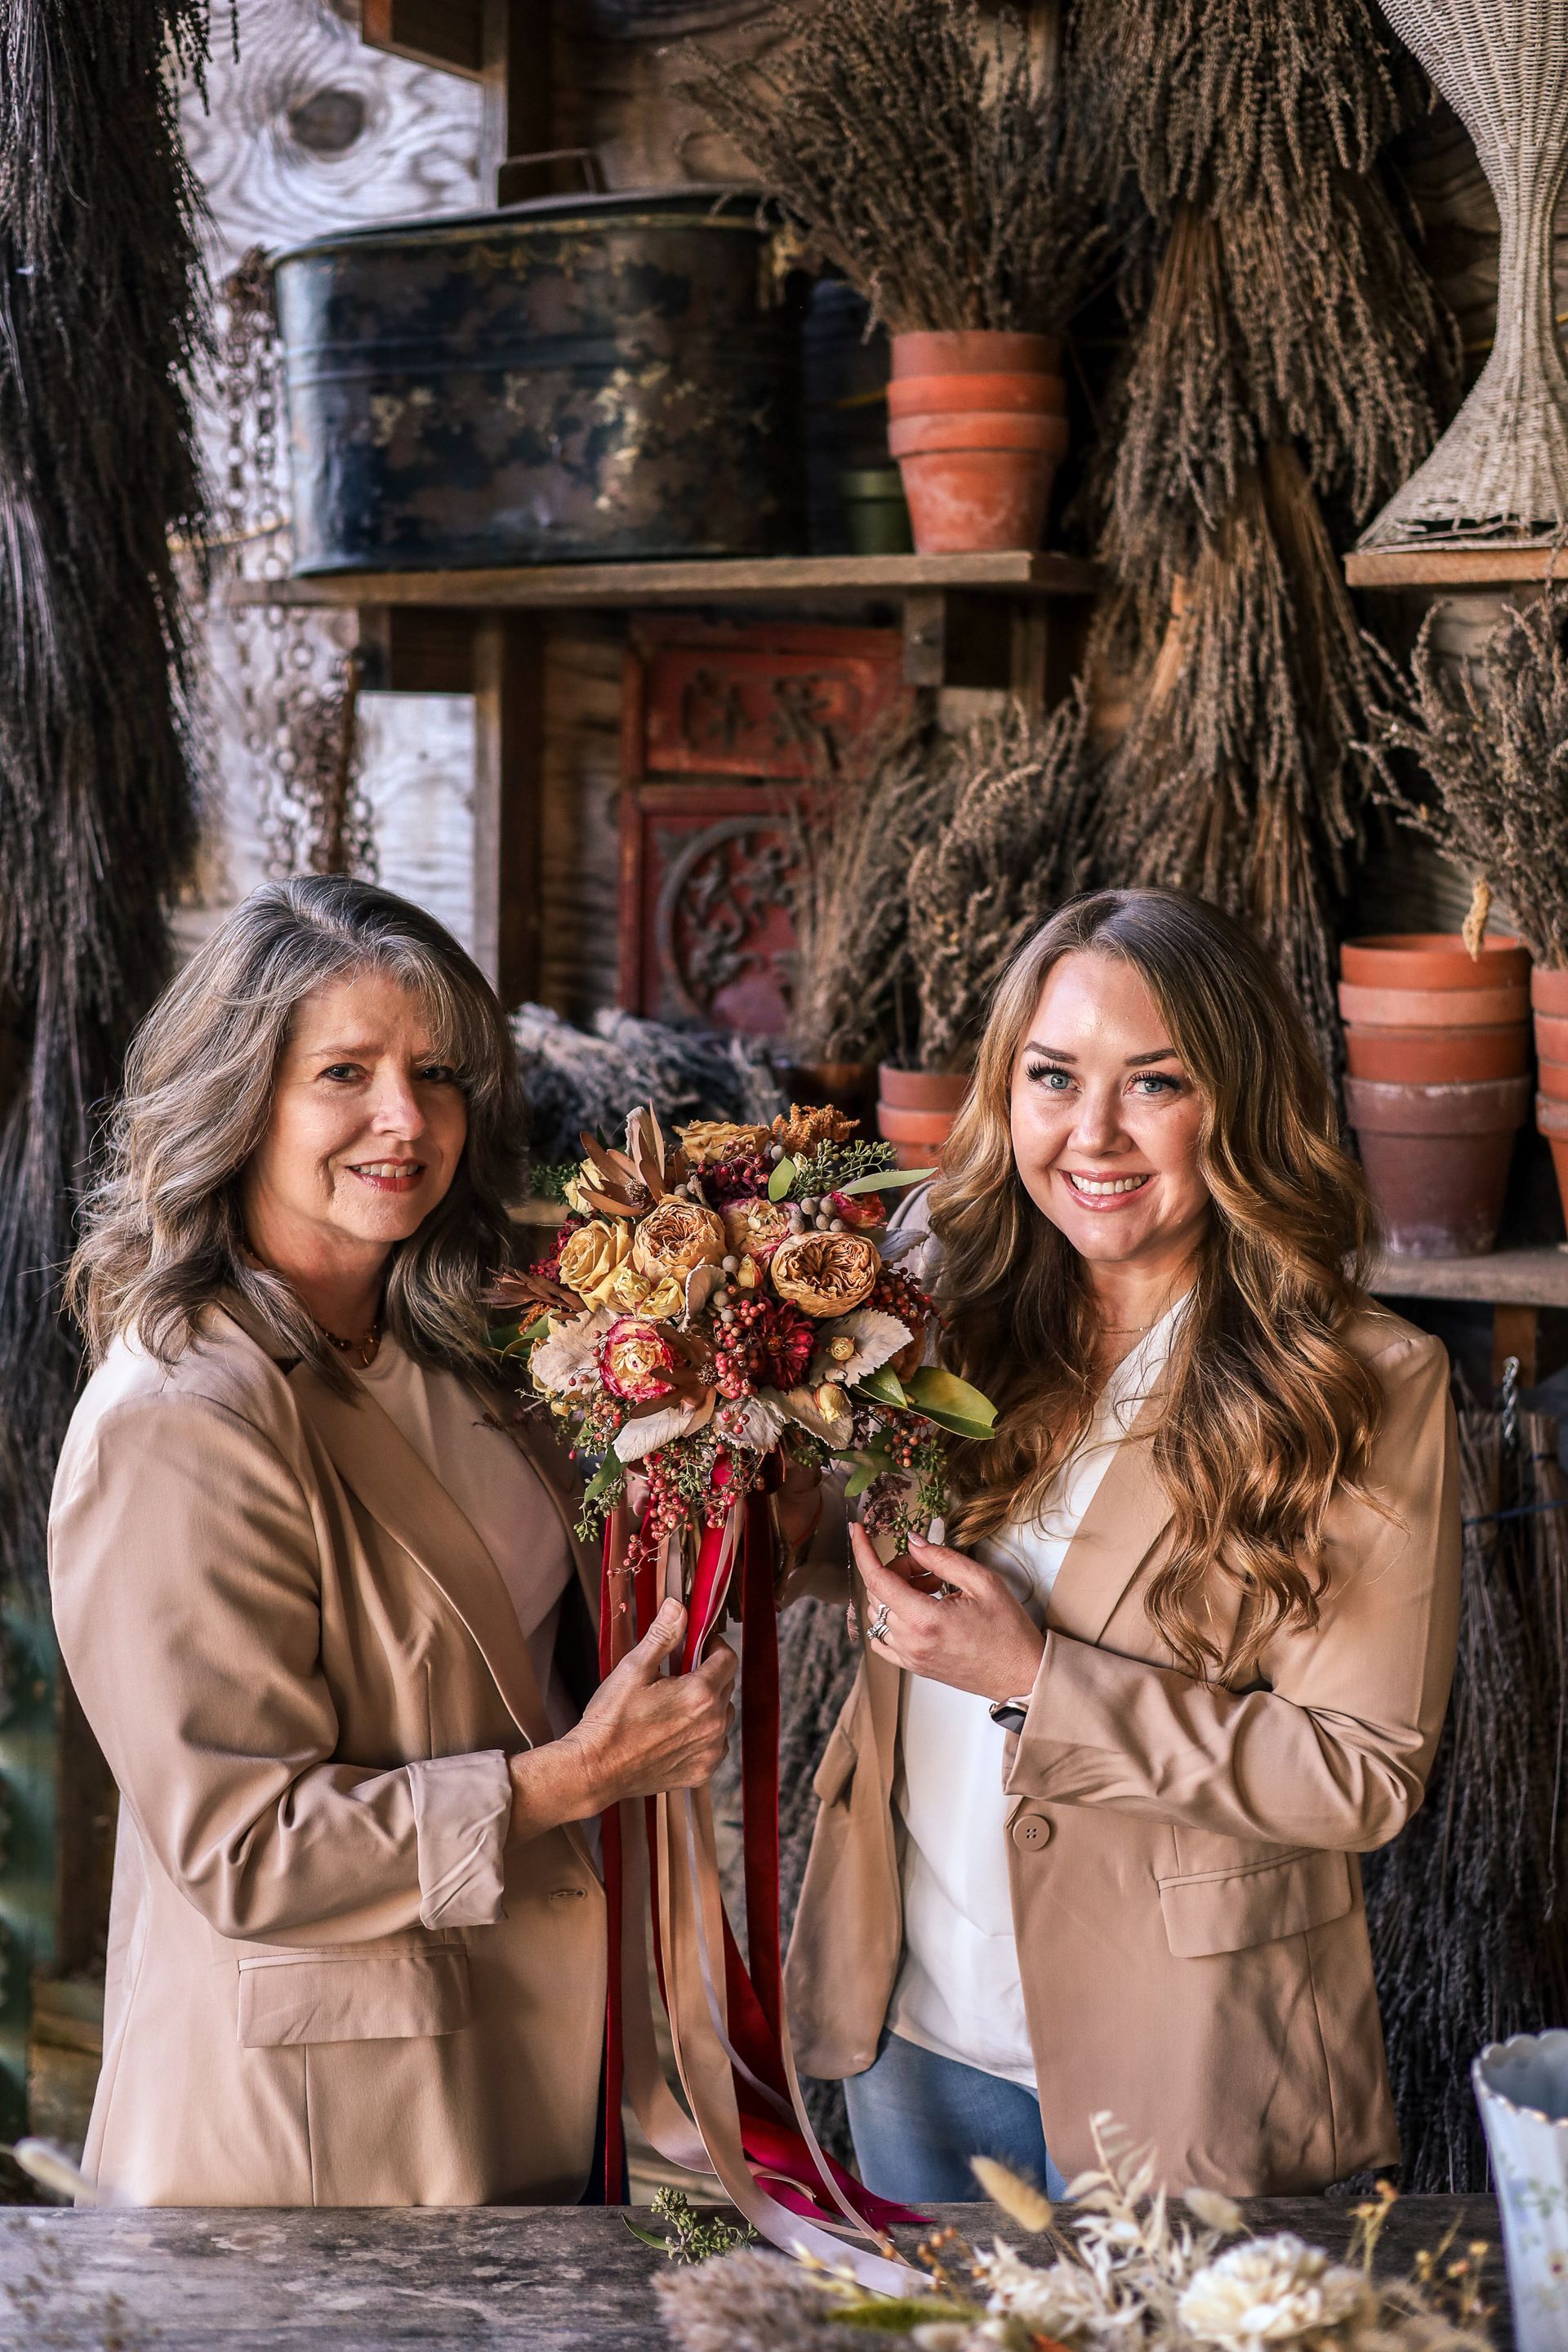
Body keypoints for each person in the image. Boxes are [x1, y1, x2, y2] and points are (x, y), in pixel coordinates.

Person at [51, 876, 738, 2207]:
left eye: (435, 1073)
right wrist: (568, 1782)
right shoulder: (180, 1417)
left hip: (519, 2053)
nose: (403, 1120)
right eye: (344, 1073)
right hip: (326, 2124)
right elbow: (247, 1845)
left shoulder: (456, 1339)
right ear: (243, 1096)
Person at [785, 888, 1461, 2202]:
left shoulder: (1362, 1382)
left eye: (1155, 1083)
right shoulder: (942, 1305)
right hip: (913, 2026)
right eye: (1053, 1077)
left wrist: (1040, 1681)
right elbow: (851, 1557)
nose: (1091, 1134)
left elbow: (1364, 1776)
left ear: (1240, 1103)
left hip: (1183, 2059)